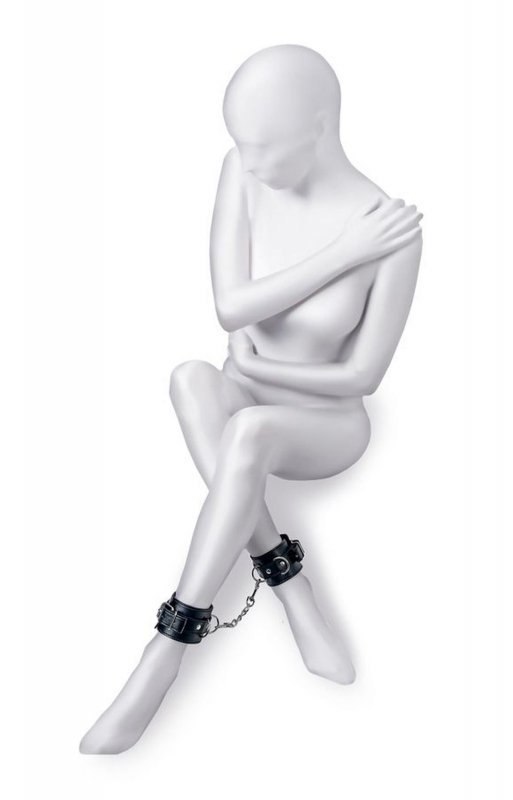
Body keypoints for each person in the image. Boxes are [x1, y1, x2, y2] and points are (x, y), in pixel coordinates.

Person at [79, 44, 423, 755]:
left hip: (326, 423)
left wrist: (264, 365)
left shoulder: (388, 230)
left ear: (319, 128)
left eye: (267, 145)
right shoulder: (241, 170)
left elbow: (362, 377)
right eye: (242, 142)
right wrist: (341, 254)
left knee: (251, 431)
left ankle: (168, 647)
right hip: (248, 392)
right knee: (189, 376)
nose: (252, 161)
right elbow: (230, 307)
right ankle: (295, 593)